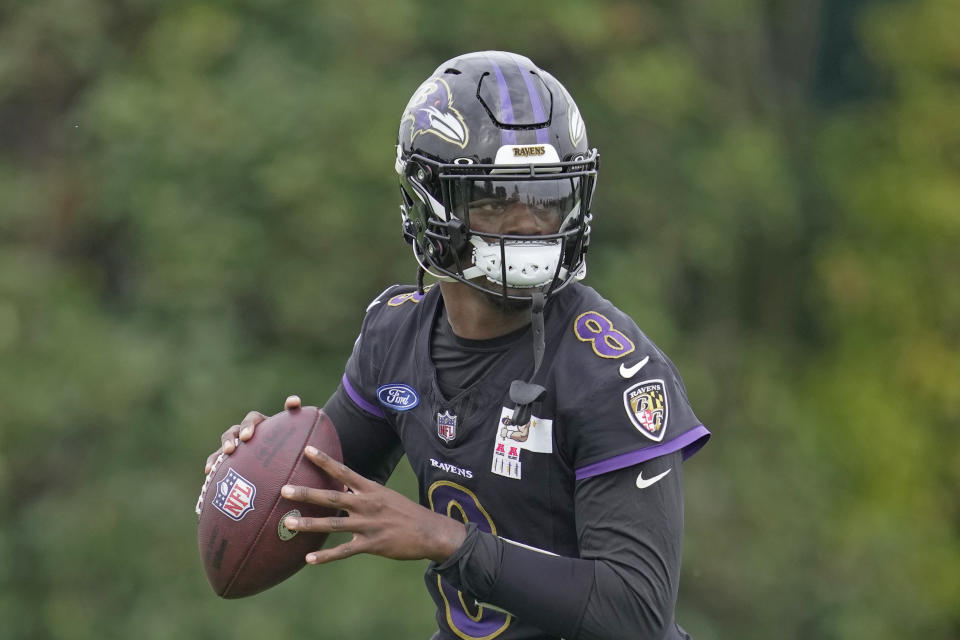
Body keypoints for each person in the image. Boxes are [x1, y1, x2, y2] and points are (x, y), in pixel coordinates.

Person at [204, 51, 710, 640]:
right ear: (429, 203)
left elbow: (636, 615)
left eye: (547, 197)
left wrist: (446, 540)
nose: (529, 222)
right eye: (495, 197)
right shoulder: (394, 336)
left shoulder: (610, 371)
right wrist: (253, 468)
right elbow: (313, 494)